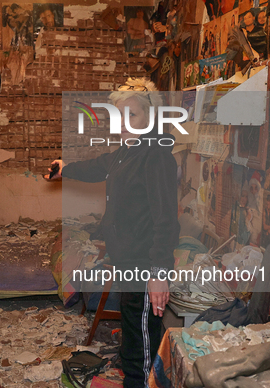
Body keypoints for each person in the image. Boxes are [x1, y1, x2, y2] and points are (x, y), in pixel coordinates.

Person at [45, 78, 180, 387]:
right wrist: (65, 168)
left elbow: (166, 220)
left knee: (142, 344)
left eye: (131, 115)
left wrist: (159, 272)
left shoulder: (155, 156)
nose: (123, 123)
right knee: (133, 332)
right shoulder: (127, 152)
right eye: (119, 116)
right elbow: (97, 166)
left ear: (151, 117)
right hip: (128, 262)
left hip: (145, 266)